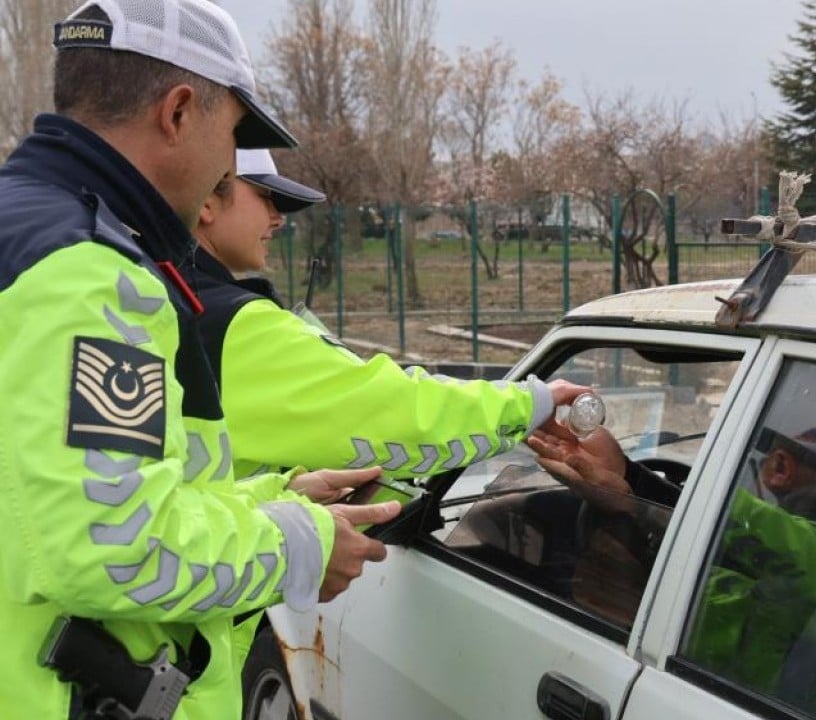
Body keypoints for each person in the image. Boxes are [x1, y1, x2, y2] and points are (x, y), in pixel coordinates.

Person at [0, 2, 396, 718]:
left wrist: (267, 501)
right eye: (234, 136)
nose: (227, 169)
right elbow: (113, 545)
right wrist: (296, 545)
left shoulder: (23, 227)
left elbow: (48, 495)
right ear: (180, 112)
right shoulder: (89, 275)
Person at [188, 148, 587, 481]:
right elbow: (394, 410)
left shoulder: (172, 297)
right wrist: (529, 403)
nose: (278, 218)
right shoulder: (234, 324)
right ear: (206, 199)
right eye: (264, 197)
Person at [529, 420, 816, 692]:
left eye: (771, 458)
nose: (766, 467)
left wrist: (637, 489)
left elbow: (755, 530)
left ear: (782, 469)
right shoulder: (759, 566)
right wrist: (632, 497)